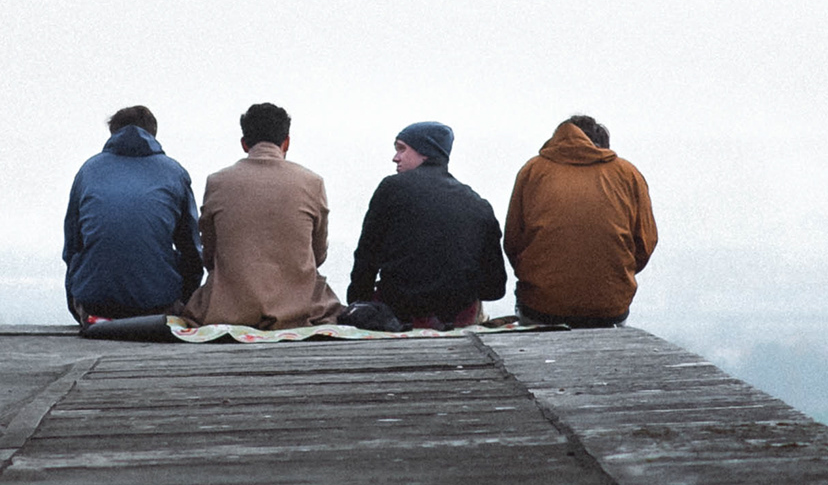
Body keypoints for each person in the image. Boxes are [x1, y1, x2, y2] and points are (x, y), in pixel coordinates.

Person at [180, 102, 344, 331]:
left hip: (228, 308)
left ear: (244, 143)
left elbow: (210, 255)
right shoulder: (312, 182)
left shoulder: (217, 182)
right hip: (298, 308)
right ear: (286, 141)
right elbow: (318, 255)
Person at [343, 121, 508, 331]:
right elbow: (494, 288)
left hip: (398, 314)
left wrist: (358, 304)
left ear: (425, 152)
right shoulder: (479, 204)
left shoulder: (392, 187)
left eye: (402, 149)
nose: (395, 157)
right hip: (457, 318)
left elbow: (367, 257)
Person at [62, 105, 203, 340]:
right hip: (157, 307)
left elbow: (72, 247)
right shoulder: (174, 172)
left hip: (96, 306)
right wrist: (185, 298)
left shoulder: (88, 171)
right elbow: (191, 251)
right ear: (153, 134)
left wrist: (79, 295)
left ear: (113, 133)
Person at [503, 115, 657, 328]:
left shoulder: (533, 170)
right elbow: (645, 243)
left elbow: (513, 241)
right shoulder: (627, 174)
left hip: (541, 307)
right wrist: (613, 274)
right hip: (609, 308)